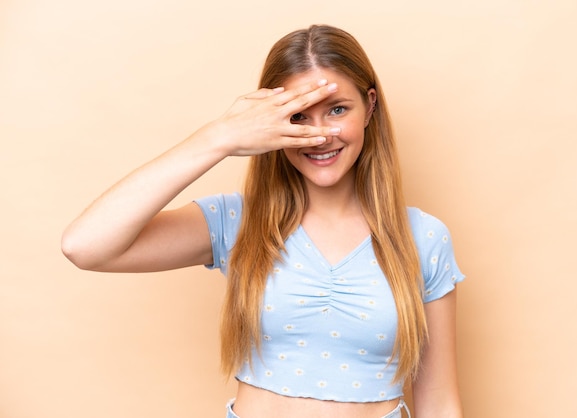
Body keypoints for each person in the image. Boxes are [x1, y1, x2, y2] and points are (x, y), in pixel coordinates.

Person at [62, 24, 465, 418]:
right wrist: (219, 137)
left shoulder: (423, 238)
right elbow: (85, 246)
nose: (320, 135)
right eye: (298, 116)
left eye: (337, 110)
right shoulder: (236, 222)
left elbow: (440, 405)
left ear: (370, 106)